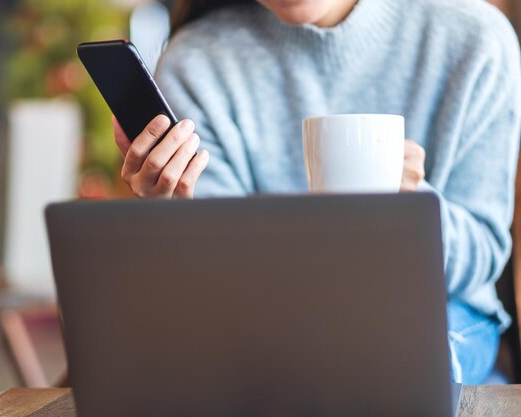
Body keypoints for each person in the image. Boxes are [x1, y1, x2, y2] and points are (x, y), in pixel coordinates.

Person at [112, 0, 521, 384]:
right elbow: (224, 292)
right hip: (275, 325)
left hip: (441, 310)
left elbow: (482, 254)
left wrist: (412, 214)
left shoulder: (474, 39)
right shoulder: (196, 63)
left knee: (396, 363)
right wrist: (178, 220)